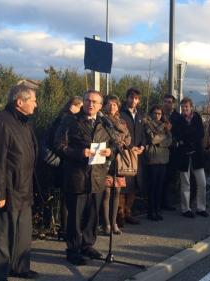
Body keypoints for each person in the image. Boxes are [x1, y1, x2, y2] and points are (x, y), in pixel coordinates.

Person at [0, 83, 39, 280]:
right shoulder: (1, 122)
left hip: (24, 187)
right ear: (19, 102)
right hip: (8, 189)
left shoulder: (25, 123)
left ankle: (20, 267)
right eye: (32, 100)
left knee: (23, 233)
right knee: (3, 235)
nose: (36, 104)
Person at [54, 90, 113, 265]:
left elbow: (114, 145)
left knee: (92, 216)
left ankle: (87, 245)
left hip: (97, 177)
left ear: (101, 106)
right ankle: (72, 249)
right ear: (84, 102)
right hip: (77, 177)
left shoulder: (104, 123)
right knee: (75, 217)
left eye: (95, 102)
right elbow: (58, 145)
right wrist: (80, 153)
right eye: (88, 100)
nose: (91, 104)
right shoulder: (70, 121)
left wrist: (111, 152)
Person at [47, 96, 83, 240]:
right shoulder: (67, 120)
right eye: (80, 107)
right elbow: (58, 143)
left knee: (65, 198)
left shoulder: (62, 118)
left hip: (63, 162)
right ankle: (65, 230)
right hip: (65, 163)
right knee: (67, 199)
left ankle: (64, 229)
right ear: (72, 106)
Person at [172, 98, 208, 218]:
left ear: (191, 107)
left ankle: (201, 207)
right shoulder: (178, 119)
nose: (185, 109)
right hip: (184, 155)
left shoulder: (197, 118)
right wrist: (190, 135)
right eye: (183, 107)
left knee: (202, 182)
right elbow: (178, 135)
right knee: (185, 183)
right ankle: (185, 208)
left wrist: (187, 136)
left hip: (197, 154)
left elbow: (201, 134)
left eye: (187, 107)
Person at [101, 95, 131, 235]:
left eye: (115, 104)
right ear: (105, 105)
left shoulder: (122, 122)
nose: (112, 107)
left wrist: (123, 143)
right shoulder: (102, 120)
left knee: (117, 192)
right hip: (107, 159)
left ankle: (114, 223)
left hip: (119, 159)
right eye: (110, 104)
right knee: (106, 192)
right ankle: (106, 224)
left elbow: (128, 137)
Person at [119, 88, 146, 225]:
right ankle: (120, 215)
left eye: (136, 98)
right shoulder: (120, 114)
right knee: (124, 185)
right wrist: (129, 147)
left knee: (134, 185)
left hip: (137, 155)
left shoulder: (140, 115)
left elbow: (143, 134)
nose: (133, 100)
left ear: (138, 100)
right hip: (125, 154)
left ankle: (129, 212)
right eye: (131, 97)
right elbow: (120, 135)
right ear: (127, 98)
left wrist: (143, 146)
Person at [143, 105, 172, 221]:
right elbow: (152, 139)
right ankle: (151, 211)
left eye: (159, 113)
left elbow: (169, 140)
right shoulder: (147, 124)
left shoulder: (166, 126)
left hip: (164, 159)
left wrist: (161, 141)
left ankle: (157, 210)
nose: (157, 115)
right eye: (155, 113)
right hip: (153, 159)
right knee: (152, 187)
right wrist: (163, 136)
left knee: (160, 187)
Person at [161, 94, 181, 211]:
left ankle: (167, 201)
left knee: (170, 177)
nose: (167, 104)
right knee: (161, 177)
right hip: (161, 150)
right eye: (165, 101)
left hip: (173, 151)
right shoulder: (159, 114)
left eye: (169, 102)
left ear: (173, 104)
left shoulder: (177, 117)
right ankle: (160, 201)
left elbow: (180, 132)